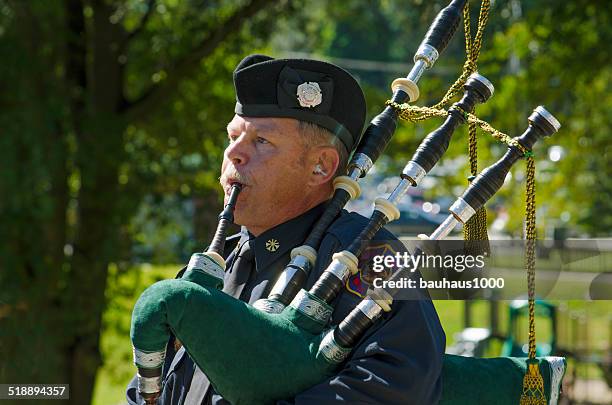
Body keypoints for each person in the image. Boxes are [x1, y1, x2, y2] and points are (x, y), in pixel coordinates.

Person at [127, 54, 445, 405]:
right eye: (233, 137)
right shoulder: (217, 266)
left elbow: (395, 387)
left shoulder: (368, 254)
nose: (234, 153)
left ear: (320, 167)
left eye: (261, 141)